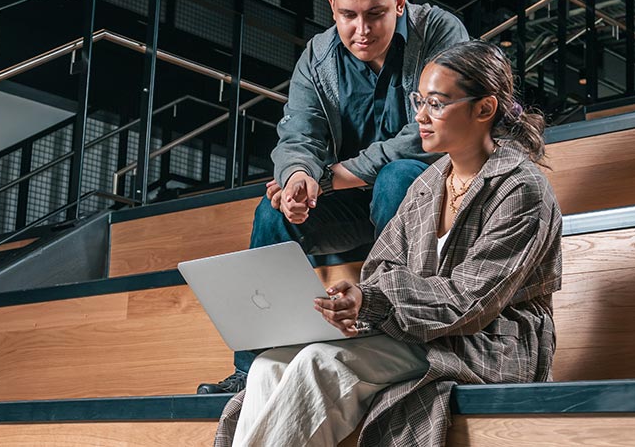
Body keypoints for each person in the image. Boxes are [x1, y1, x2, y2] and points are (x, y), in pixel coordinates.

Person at [213, 40, 563, 446]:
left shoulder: (521, 189)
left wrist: (373, 301)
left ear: (483, 109)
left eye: (436, 103)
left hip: (488, 343)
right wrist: (357, 302)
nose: (419, 116)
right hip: (416, 331)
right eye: (420, 100)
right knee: (269, 365)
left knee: (319, 363)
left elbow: (471, 300)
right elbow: (381, 269)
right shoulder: (428, 185)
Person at [197, 0, 469, 395]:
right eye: (348, 15)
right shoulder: (318, 56)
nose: (361, 29)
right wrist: (299, 177)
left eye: (376, 13)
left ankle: (400, 341)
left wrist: (333, 176)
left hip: (429, 196)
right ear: (332, 7)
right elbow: (297, 134)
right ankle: (255, 368)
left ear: (400, 1)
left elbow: (429, 133)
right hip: (353, 202)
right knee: (272, 213)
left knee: (397, 177)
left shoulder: (440, 32)